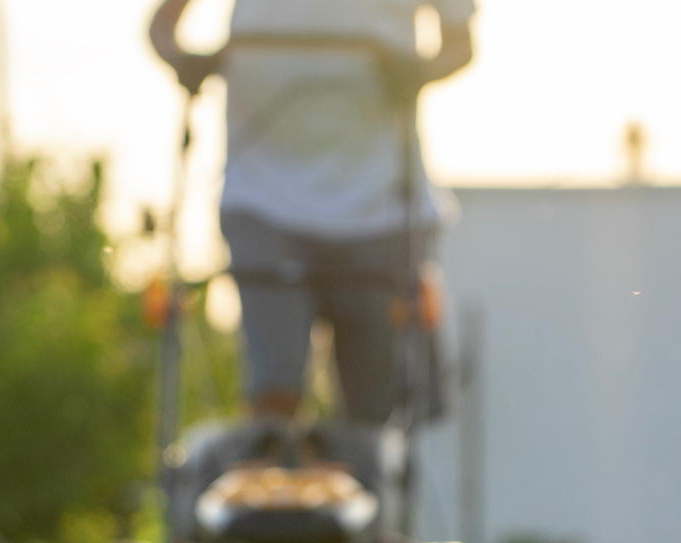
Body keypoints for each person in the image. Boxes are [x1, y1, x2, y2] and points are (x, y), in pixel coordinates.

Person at [149, 0, 476, 425]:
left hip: (381, 207)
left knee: (373, 416)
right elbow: (162, 26)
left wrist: (419, 70)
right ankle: (272, 473)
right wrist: (186, 60)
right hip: (263, 197)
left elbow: (459, 43)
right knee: (274, 399)